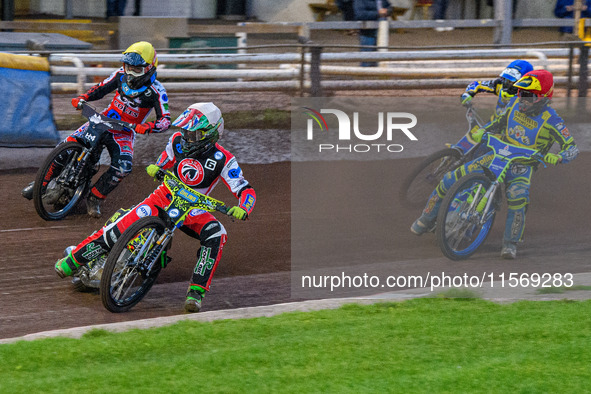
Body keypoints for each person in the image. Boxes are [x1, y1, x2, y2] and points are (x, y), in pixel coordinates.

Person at [54, 102, 256, 313]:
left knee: (217, 234)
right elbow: (163, 161)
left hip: (193, 209)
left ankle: (196, 293)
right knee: (117, 229)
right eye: (185, 131)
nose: (186, 137)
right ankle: (72, 261)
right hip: (162, 197)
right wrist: (157, 167)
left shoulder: (225, 159)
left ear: (209, 135)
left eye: (192, 134)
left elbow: (245, 189)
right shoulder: (177, 140)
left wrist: (244, 207)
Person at [411, 70, 578, 259]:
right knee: (450, 178)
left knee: (518, 199)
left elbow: (572, 147)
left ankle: (510, 244)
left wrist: (559, 157)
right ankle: (425, 219)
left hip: (521, 166)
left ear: (542, 98)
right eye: (520, 94)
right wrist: (482, 132)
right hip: (497, 154)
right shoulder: (514, 103)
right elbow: (499, 122)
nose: (522, 99)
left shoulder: (553, 120)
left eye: (528, 96)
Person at [22, 41, 171, 218]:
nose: (130, 73)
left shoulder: (157, 91)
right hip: (102, 119)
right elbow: (100, 89)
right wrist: (83, 98)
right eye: (127, 67)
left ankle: (95, 197)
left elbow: (165, 120)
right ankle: (41, 184)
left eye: (136, 69)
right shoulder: (120, 75)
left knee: (123, 167)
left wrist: (147, 127)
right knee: (65, 145)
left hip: (124, 131)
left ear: (149, 69)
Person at [460, 59, 534, 118]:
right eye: (505, 79)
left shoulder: (530, 95)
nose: (506, 83)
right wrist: (469, 93)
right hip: (495, 122)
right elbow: (476, 84)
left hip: (516, 128)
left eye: (511, 81)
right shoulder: (499, 84)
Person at [353, 0, 392, 67]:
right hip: (368, 33)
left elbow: (389, 6)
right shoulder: (360, 1)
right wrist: (378, 13)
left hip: (382, 31)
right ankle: (365, 74)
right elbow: (360, 14)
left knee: (380, 56)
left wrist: (388, 11)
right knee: (367, 58)